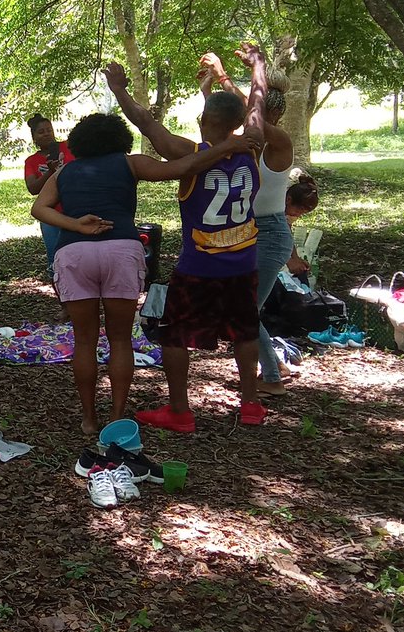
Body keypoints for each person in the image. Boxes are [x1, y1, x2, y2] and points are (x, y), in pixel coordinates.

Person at [32, 113, 256, 435]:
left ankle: (89, 419)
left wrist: (76, 224)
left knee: (84, 340)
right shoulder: (130, 163)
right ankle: (117, 417)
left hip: (73, 252)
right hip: (122, 249)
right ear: (118, 138)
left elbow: (39, 208)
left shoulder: (64, 172)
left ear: (80, 143)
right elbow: (183, 167)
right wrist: (227, 148)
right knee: (120, 338)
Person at [104, 42, 270, 432]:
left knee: (175, 335)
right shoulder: (252, 147)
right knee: (246, 330)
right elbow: (258, 105)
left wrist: (119, 90)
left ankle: (180, 410)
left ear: (203, 120)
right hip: (244, 262)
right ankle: (250, 405)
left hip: (198, 265)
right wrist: (258, 67)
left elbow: (146, 124)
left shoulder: (188, 152)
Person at [199, 52, 295, 398]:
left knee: (245, 310)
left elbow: (244, 113)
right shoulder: (246, 143)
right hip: (249, 233)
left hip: (269, 234)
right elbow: (218, 127)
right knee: (243, 307)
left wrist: (227, 76)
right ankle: (276, 365)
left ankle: (271, 378)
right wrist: (209, 95)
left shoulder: (278, 142)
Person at [25, 115, 76, 306]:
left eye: (49, 129)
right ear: (34, 138)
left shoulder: (69, 146)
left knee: (79, 257)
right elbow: (32, 188)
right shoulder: (32, 161)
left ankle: (82, 302)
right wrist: (49, 171)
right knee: (55, 260)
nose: (47, 134)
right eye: (41, 132)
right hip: (50, 214)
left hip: (76, 209)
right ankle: (65, 304)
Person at [284, 174, 320, 277]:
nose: (298, 215)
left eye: (302, 213)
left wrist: (295, 257)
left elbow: (287, 234)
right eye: (298, 210)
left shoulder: (287, 213)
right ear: (288, 200)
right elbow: (269, 239)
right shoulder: (272, 212)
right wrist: (289, 261)